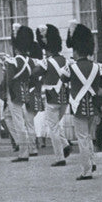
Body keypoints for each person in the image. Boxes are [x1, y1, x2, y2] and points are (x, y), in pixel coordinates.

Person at [61, 22, 102, 181]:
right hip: (92, 106)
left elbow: (63, 78)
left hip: (78, 106)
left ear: (76, 49)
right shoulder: (96, 67)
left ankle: (86, 170)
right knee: (88, 137)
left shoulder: (71, 67)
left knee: (82, 138)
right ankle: (91, 162)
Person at [36, 24, 71, 166]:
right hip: (65, 98)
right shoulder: (65, 60)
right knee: (56, 125)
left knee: (53, 128)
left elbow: (35, 73)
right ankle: (65, 144)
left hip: (52, 98)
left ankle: (59, 157)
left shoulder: (45, 62)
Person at [4, 25, 38, 161]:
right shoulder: (31, 61)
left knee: (18, 123)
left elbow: (7, 80)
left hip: (13, 94)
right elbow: (33, 79)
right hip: (25, 92)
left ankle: (24, 151)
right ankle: (29, 146)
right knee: (7, 116)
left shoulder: (13, 61)